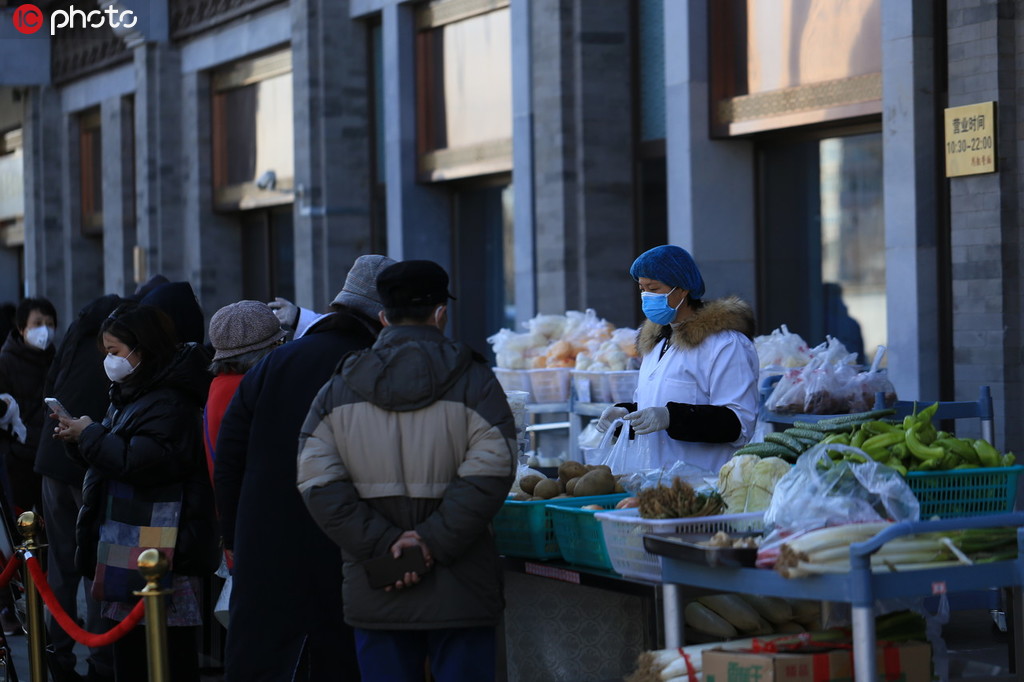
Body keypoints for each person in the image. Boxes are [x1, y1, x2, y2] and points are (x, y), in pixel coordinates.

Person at [296, 259, 517, 681]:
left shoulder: (338, 388)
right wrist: (431, 540)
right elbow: (495, 466)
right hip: (461, 588)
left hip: (379, 583)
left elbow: (316, 479)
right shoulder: (476, 380)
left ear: (383, 317)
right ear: (440, 313)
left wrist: (385, 544)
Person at [214, 254, 396, 682]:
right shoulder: (375, 367)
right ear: (384, 316)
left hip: (264, 535)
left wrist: (233, 534)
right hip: (341, 541)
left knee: (265, 655)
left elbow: (230, 454)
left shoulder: (278, 361)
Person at [54, 302, 219, 682]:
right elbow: (115, 458)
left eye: (114, 352)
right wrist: (79, 439)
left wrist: (90, 434)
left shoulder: (170, 400)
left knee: (162, 659)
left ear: (141, 349)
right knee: (132, 658)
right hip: (130, 547)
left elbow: (141, 463)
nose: (109, 362)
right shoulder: (134, 391)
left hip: (159, 556)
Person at [595, 245, 759, 474]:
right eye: (642, 289)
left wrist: (672, 417)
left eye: (654, 288)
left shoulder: (726, 345)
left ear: (682, 290)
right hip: (654, 482)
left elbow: (738, 424)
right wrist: (626, 415)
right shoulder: (657, 344)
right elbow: (658, 406)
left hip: (704, 484)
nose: (646, 297)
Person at [35, 293, 124, 682]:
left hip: (52, 457)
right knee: (94, 566)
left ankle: (55, 654)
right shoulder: (112, 352)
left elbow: (51, 384)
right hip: (87, 461)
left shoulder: (74, 337)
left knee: (61, 566)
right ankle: (101, 660)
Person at [203, 300, 285, 482]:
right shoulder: (247, 389)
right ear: (261, 352)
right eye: (279, 342)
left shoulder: (221, 384)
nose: (283, 349)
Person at [0, 297, 58, 516]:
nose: (45, 330)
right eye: (38, 323)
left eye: (50, 324)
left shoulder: (57, 360)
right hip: (17, 461)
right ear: (22, 328)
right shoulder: (5, 362)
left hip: (48, 457)